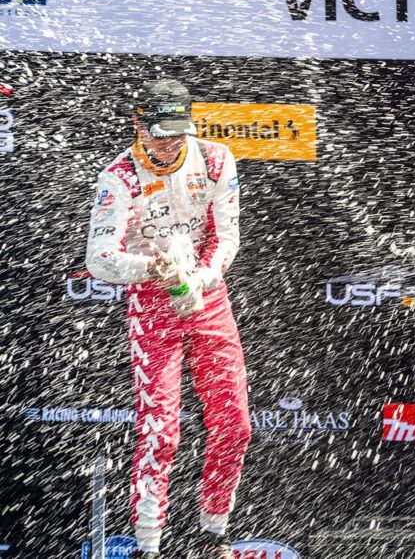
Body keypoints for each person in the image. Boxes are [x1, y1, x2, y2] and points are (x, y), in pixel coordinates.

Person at [86, 79, 250, 559]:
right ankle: (148, 546)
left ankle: (213, 534)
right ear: (138, 124)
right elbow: (99, 259)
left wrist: (198, 279)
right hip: (152, 302)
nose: (171, 143)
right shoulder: (119, 178)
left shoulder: (216, 159)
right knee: (162, 430)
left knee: (235, 425)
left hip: (208, 296)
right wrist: (152, 268)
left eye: (179, 132)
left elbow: (227, 238)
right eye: (161, 134)